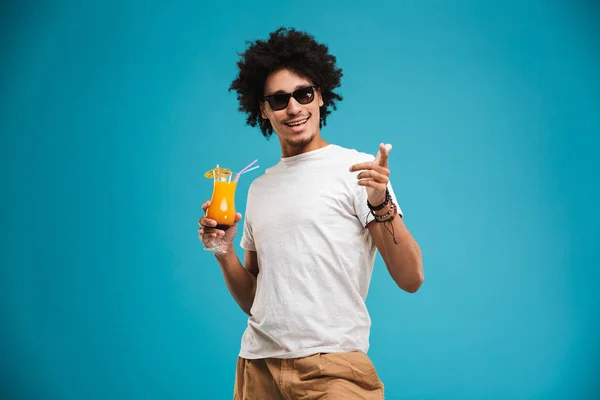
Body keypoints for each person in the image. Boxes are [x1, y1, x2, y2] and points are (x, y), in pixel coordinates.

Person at [198, 27, 424, 400]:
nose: (294, 107)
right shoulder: (259, 189)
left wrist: (381, 203)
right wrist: (224, 253)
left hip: (333, 369)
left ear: (320, 97)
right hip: (258, 369)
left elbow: (411, 277)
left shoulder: (357, 171)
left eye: (303, 94)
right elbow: (256, 300)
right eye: (280, 99)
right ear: (264, 108)